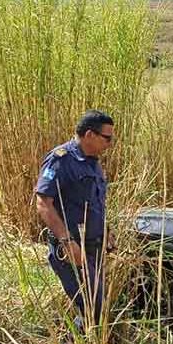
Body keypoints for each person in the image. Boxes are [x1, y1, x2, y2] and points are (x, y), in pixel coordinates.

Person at [35, 110, 115, 332]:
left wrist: (106, 230)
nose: (111, 143)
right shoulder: (61, 160)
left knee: (96, 306)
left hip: (93, 246)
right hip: (71, 247)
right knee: (92, 306)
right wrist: (68, 242)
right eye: (107, 138)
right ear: (90, 134)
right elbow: (43, 203)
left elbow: (95, 202)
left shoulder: (93, 163)